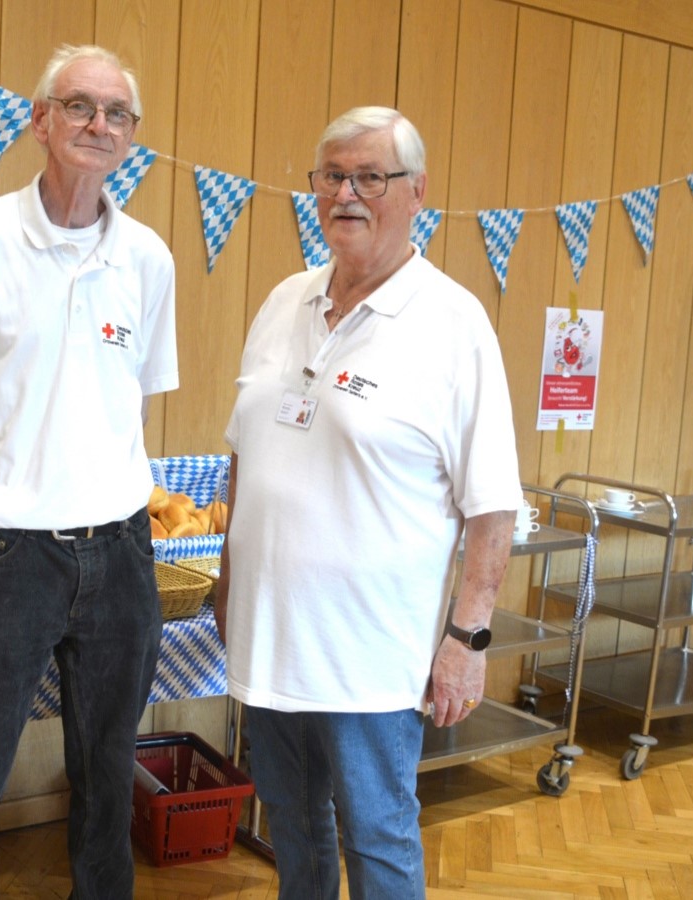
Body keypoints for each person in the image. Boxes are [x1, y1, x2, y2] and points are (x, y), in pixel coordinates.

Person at [214, 106, 520, 900]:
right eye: (332, 175)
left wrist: (467, 640)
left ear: (417, 192)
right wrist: (227, 574)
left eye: (370, 177)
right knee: (289, 820)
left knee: (377, 833)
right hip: (272, 638)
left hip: (375, 657)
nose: (347, 193)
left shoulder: (455, 324)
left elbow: (492, 507)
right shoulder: (285, 300)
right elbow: (245, 454)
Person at [0, 44, 177, 900]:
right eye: (79, 106)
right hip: (5, 556)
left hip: (122, 554)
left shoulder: (147, 257)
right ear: (40, 121)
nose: (99, 125)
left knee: (108, 774)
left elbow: (136, 403)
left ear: (131, 136)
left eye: (117, 114)